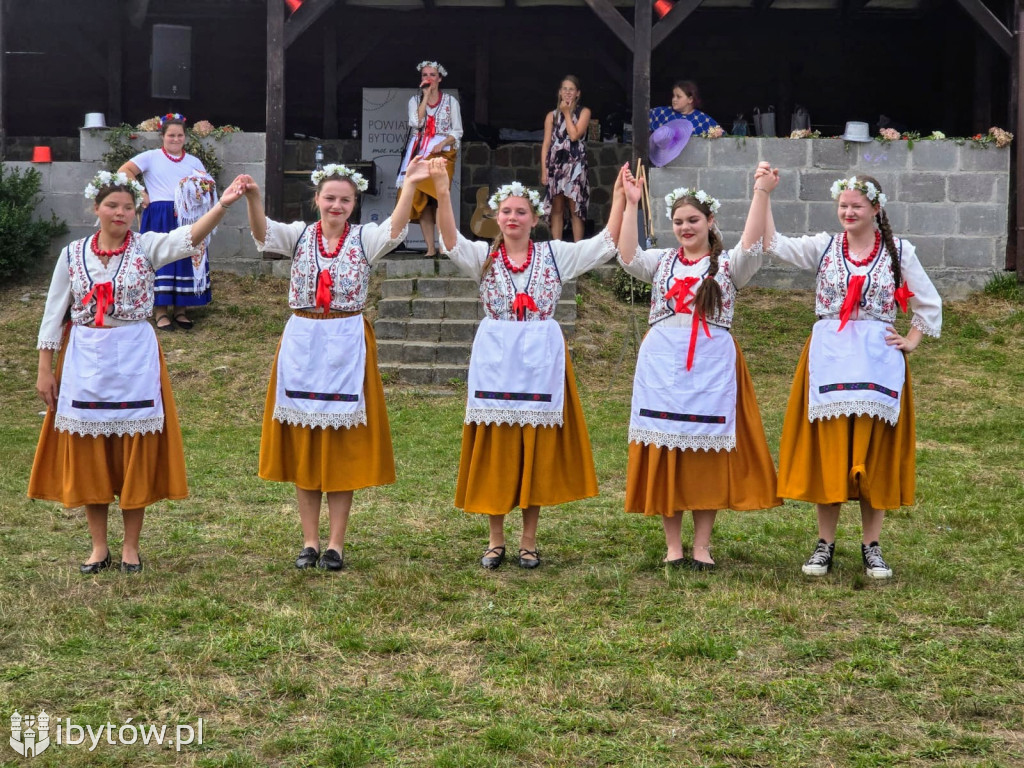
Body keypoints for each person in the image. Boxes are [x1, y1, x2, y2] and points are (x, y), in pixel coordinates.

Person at [28, 170, 245, 573]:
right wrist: (45, 368)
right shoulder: (73, 254)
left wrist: (223, 204)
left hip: (133, 356)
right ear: (96, 208)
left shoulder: (146, 247)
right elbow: (53, 313)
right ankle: (98, 547)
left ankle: (130, 547)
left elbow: (189, 237)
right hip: (85, 357)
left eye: (129, 207)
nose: (121, 213)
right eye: (112, 205)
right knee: (91, 452)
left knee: (133, 451)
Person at [428, 157, 626, 569]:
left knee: (532, 449)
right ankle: (495, 538)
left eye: (521, 211)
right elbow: (449, 241)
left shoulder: (554, 256)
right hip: (497, 358)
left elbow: (605, 243)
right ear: (495, 217)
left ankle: (529, 540)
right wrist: (443, 194)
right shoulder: (483, 256)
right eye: (506, 211)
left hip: (539, 360)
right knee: (497, 448)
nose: (513, 217)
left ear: (535, 218)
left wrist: (623, 197)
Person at [238, 157, 431, 571]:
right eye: (330, 198)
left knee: (341, 448)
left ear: (355, 202)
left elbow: (396, 229)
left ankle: (336, 544)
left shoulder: (363, 239)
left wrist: (410, 187)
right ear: (317, 199)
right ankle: (309, 540)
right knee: (306, 444)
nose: (336, 206)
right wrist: (254, 198)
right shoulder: (299, 235)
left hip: (346, 340)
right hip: (304, 339)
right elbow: (262, 232)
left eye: (344, 200)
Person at [766, 174, 943, 579]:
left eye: (856, 206)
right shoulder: (825, 247)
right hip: (830, 358)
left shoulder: (899, 251)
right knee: (831, 453)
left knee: (872, 455)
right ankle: (824, 544)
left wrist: (912, 339)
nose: (848, 212)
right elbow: (775, 244)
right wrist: (765, 194)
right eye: (843, 205)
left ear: (876, 209)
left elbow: (928, 302)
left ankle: (871, 544)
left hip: (877, 362)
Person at [616, 164, 782, 570]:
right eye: (678, 222)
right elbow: (626, 255)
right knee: (667, 448)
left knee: (706, 454)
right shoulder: (661, 261)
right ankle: (673, 546)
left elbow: (753, 245)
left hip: (710, 365)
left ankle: (701, 546)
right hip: (662, 362)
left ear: (710, 221)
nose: (685, 228)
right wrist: (631, 205)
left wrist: (761, 192)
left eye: (693, 220)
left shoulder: (728, 266)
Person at [119, 113, 210, 331]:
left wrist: (199, 191)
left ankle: (181, 310)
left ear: (185, 137)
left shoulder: (193, 161)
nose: (175, 139)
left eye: (179, 135)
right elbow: (124, 171)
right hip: (159, 215)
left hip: (187, 216)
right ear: (162, 136)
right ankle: (160, 312)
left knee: (184, 256)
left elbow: (206, 185)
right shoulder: (150, 157)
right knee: (160, 258)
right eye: (171, 135)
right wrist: (140, 192)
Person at [399, 60, 463, 257]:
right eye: (425, 75)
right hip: (421, 150)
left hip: (443, 151)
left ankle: (444, 245)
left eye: (432, 75)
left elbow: (457, 130)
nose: (428, 78)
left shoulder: (451, 102)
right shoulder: (415, 101)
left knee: (439, 196)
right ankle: (430, 247)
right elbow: (416, 124)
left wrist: (442, 143)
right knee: (423, 200)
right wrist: (425, 98)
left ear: (440, 78)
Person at [541, 75, 591, 242]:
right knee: (557, 208)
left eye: (571, 89)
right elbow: (546, 144)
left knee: (575, 207)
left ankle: (578, 250)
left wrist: (567, 113)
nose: (568, 92)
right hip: (556, 165)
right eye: (565, 89)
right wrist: (544, 171)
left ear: (577, 93)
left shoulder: (584, 112)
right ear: (559, 92)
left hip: (575, 164)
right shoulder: (551, 116)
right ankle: (557, 247)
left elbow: (575, 135)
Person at [648, 81, 719, 136]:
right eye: (673, 96)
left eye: (678, 97)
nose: (674, 99)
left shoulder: (703, 119)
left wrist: (716, 134)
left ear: (690, 99)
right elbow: (639, 117)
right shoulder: (660, 113)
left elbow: (723, 138)